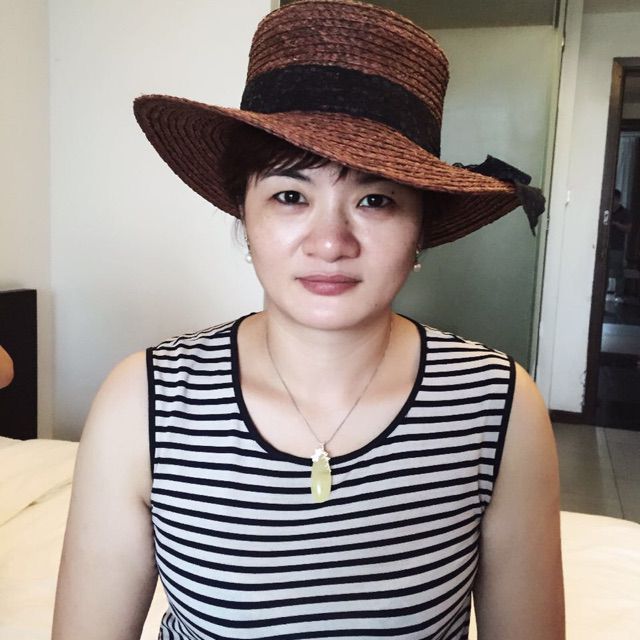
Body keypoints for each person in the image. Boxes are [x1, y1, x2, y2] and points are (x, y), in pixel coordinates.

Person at [52, 1, 564, 639]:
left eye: (375, 200)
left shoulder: (498, 403)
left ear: (420, 232)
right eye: (290, 195)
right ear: (244, 214)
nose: (330, 242)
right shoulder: (142, 400)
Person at [607, 188, 632, 302]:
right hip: (606, 245)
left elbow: (628, 229)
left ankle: (619, 295)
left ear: (618, 199)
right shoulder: (607, 210)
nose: (613, 202)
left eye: (614, 199)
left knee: (618, 272)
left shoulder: (625, 212)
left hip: (618, 246)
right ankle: (603, 293)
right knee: (604, 271)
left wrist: (617, 224)